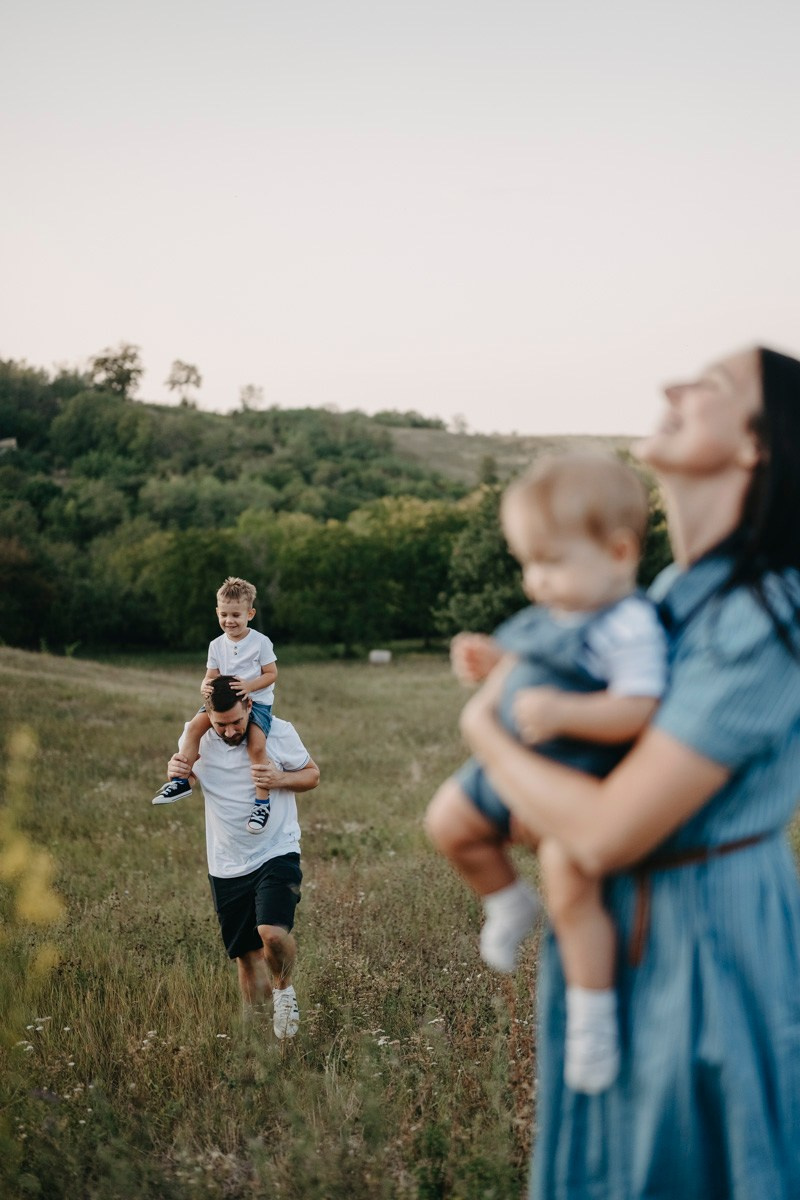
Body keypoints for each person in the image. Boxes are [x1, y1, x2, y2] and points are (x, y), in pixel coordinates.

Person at [456, 348, 800, 1198]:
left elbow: (610, 830)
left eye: (711, 386)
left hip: (708, 935)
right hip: (620, 923)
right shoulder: (671, 592)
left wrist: (483, 730)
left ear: (757, 444)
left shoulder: (765, 613)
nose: (674, 387)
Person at [426, 453, 667, 1093]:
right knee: (447, 821)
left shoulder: (629, 625)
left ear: (618, 553)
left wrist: (568, 710)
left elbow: (640, 707)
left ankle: (593, 1021)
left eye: (551, 562)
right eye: (526, 563)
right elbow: (519, 657)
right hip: (507, 765)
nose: (536, 581)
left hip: (574, 781)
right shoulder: (556, 609)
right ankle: (507, 902)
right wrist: (487, 660)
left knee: (571, 884)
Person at [166, 675, 320, 1038]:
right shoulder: (198, 738)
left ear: (249, 705)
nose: (231, 731)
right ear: (208, 715)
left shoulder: (278, 732)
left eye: (237, 721)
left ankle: (284, 990)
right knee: (247, 958)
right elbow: (187, 781)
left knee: (273, 934)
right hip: (227, 861)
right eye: (221, 724)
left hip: (276, 849)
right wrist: (178, 774)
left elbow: (312, 775)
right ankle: (260, 1040)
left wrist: (280, 778)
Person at [153, 576, 278, 834]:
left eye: (236, 615)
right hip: (221, 702)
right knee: (193, 728)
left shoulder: (260, 642)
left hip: (256, 702)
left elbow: (271, 674)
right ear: (217, 613)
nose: (229, 621)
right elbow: (210, 675)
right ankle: (180, 781)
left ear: (250, 614)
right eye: (224, 614)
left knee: (256, 746)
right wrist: (204, 686)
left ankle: (262, 802)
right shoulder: (216, 645)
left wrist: (249, 687)